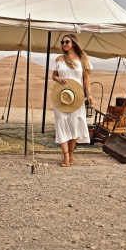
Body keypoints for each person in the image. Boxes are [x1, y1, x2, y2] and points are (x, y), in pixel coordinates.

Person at [52, 34, 93, 167]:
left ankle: (71, 151)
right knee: (61, 123)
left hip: (77, 96)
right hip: (61, 96)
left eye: (67, 41)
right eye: (62, 42)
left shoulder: (83, 60)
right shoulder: (59, 59)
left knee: (74, 123)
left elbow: (86, 78)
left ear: (73, 43)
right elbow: (53, 76)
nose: (64, 43)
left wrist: (89, 94)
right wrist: (59, 79)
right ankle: (65, 156)